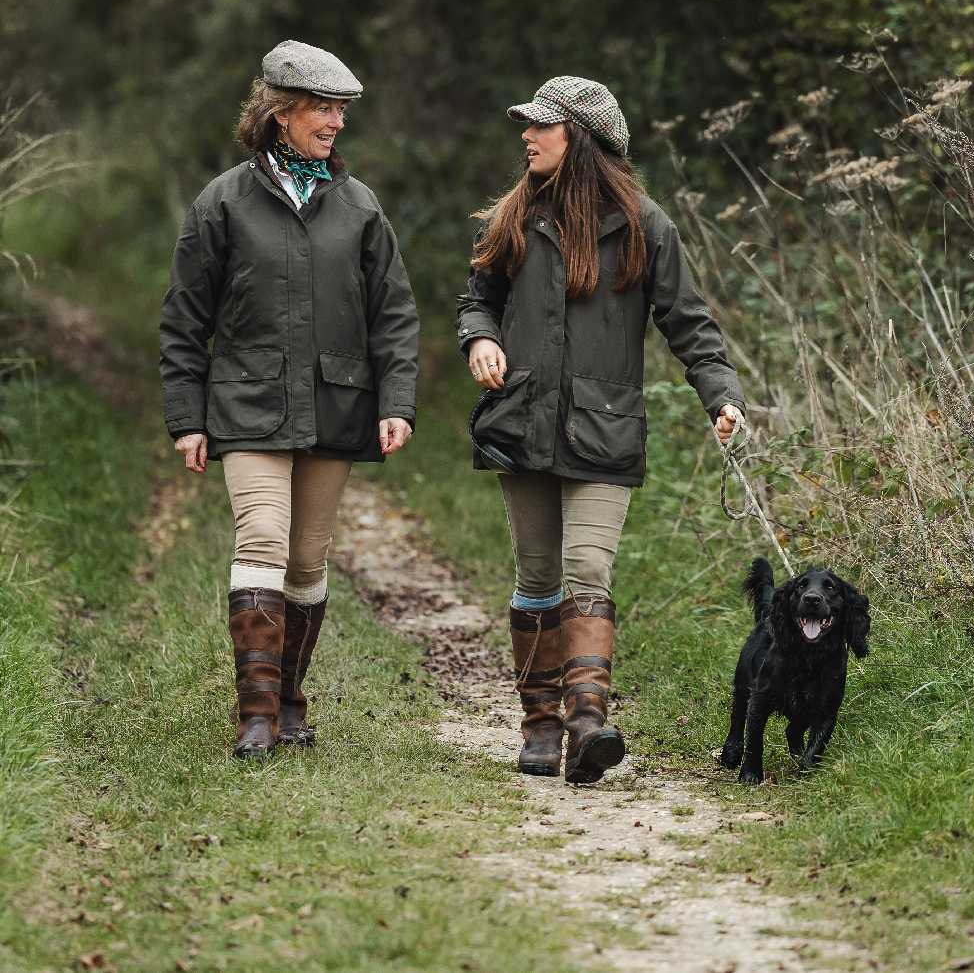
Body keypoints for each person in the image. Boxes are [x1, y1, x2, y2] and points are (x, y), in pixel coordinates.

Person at [456, 76, 744, 784]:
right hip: (522, 424)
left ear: (580, 139)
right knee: (537, 580)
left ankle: (587, 723)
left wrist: (721, 395)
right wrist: (479, 341)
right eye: (527, 124)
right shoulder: (515, 217)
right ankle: (539, 725)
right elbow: (477, 299)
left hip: (604, 433)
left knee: (589, 573)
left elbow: (690, 325)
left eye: (542, 126)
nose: (527, 135)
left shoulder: (646, 226)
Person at [160, 39, 419, 759]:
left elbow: (393, 315)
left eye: (341, 111)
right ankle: (255, 716)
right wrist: (187, 416)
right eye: (323, 109)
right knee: (263, 541)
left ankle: (291, 701)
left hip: (336, 405)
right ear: (280, 114)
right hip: (246, 408)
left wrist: (396, 400)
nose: (335, 123)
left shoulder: (361, 207)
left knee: (307, 560)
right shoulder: (222, 203)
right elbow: (185, 319)